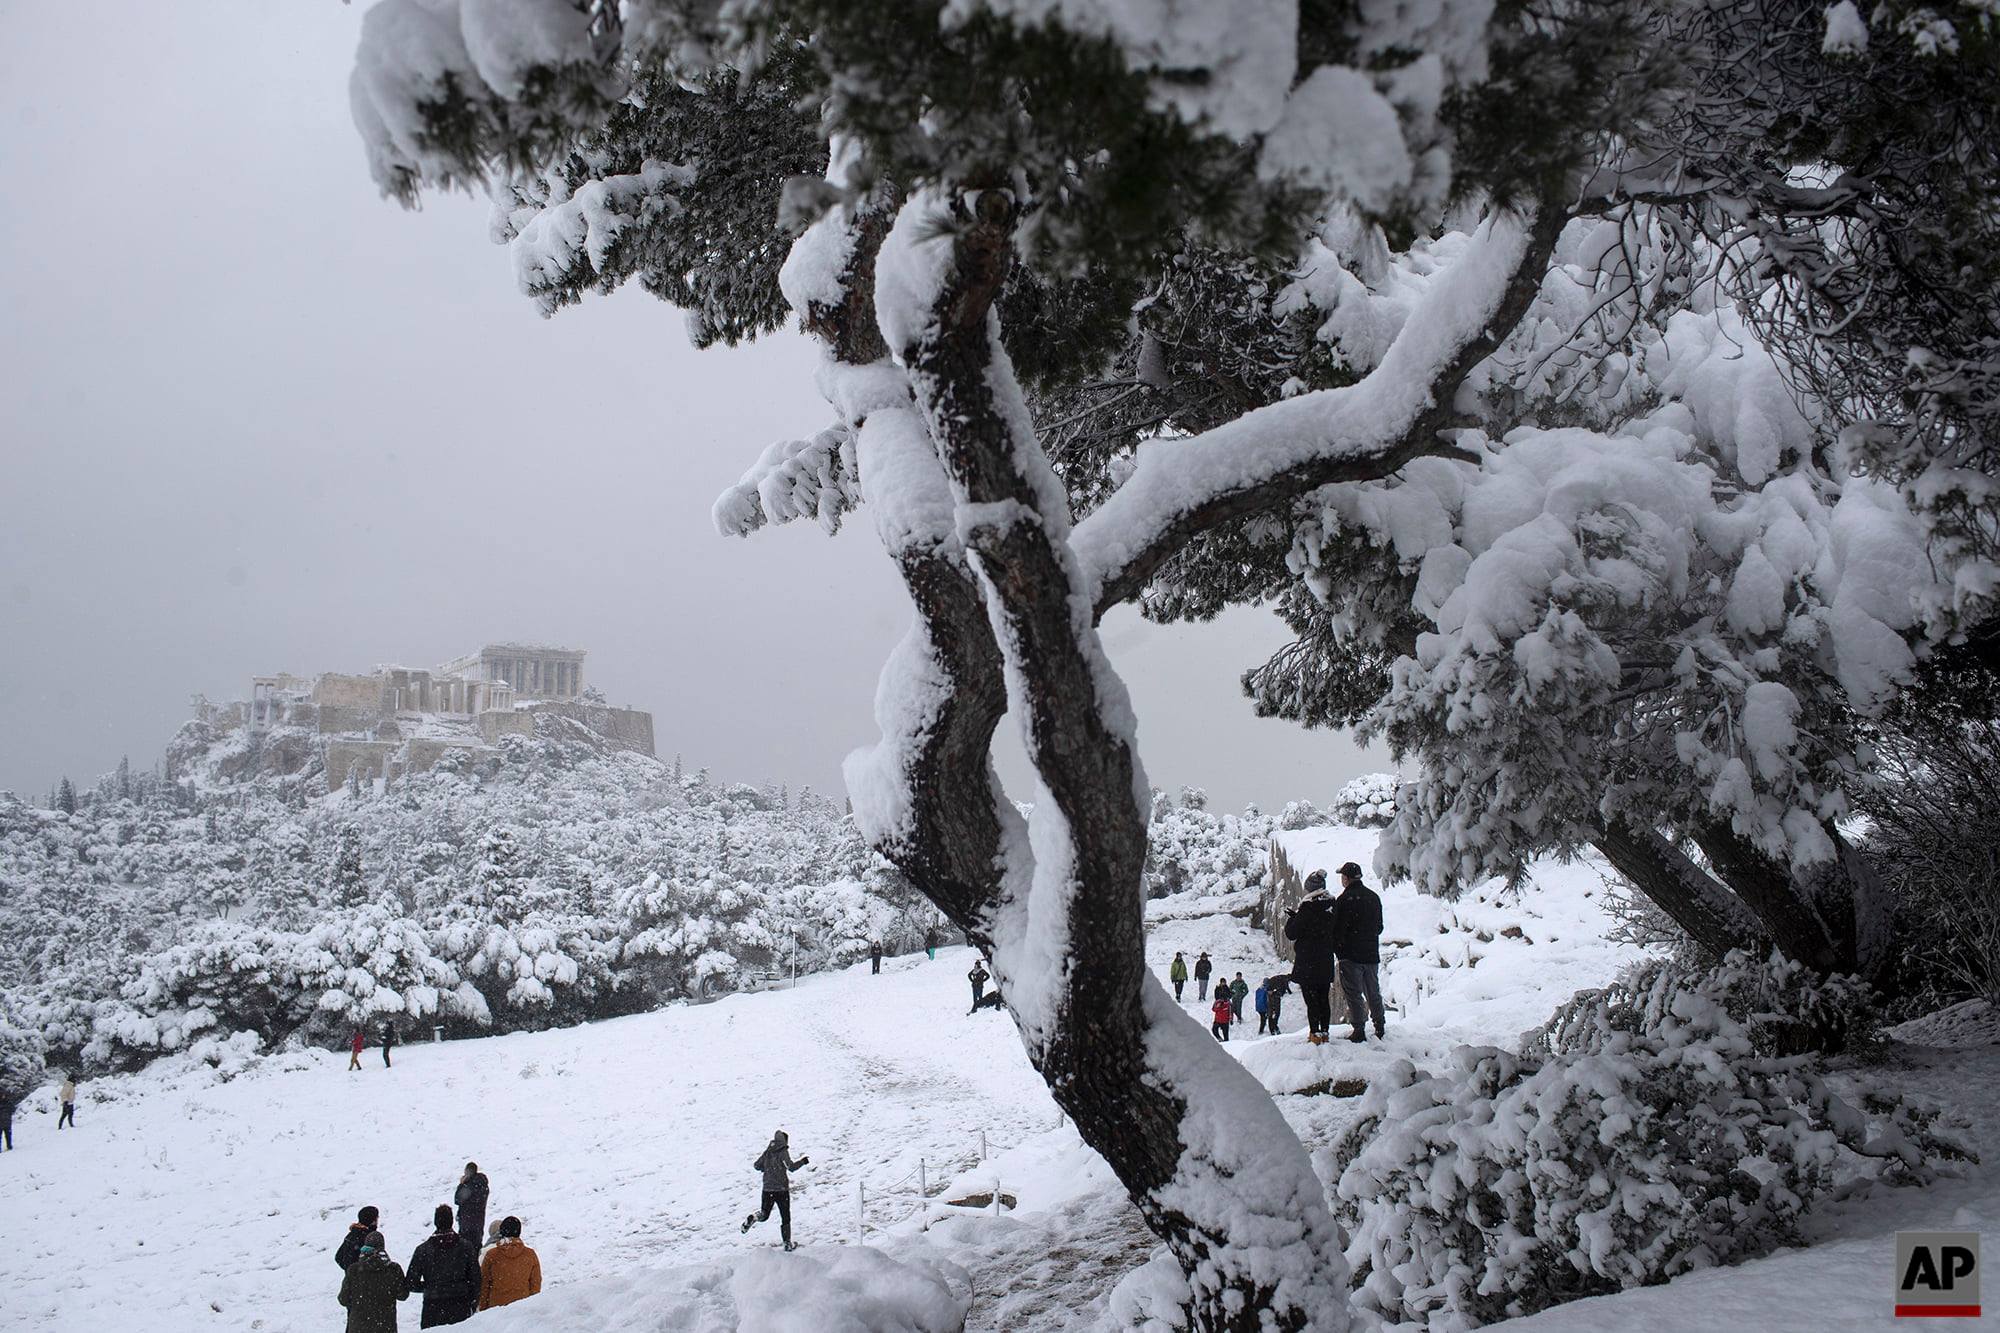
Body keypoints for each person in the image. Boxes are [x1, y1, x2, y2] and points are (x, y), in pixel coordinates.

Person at [1333, 862, 1387, 1043]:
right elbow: (1379, 927)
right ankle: (1379, 1024)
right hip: (1371, 954)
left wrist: (1339, 949)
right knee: (1373, 991)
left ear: (1346, 878)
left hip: (1350, 955)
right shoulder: (1373, 897)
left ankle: (1359, 1029)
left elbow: (1338, 930)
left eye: (1342, 876)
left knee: (1354, 993)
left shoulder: (1343, 900)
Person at [1284, 870, 1340, 1043]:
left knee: (1311, 999)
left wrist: (1293, 918)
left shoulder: (1308, 907)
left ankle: (1315, 1033)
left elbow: (1292, 933)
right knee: (1323, 998)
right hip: (1325, 959)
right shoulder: (1332, 905)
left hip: (1308, 961)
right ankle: (1325, 1032)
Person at [407, 1204, 482, 1327]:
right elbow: (476, 1279)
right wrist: (471, 1300)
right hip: (460, 1305)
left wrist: (429, 1286)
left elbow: (411, 1283)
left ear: (436, 1222)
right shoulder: (465, 1247)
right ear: (452, 1222)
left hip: (433, 1307)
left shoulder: (423, 1250)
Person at [741, 1129, 810, 1251]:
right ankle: (787, 1244)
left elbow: (756, 1165)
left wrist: (766, 1168)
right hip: (781, 1190)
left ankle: (754, 1217)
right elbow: (791, 1167)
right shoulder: (783, 1152)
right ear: (784, 1141)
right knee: (785, 1216)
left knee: (764, 1214)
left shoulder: (768, 1151)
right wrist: (802, 1162)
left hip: (767, 1189)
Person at [337, 1230, 410, 1333]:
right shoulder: (393, 1269)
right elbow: (403, 1295)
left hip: (358, 1327)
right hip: (385, 1327)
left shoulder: (354, 1270)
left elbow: (343, 1299)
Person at [478, 1216, 541, 1311]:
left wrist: (483, 1308)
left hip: (496, 1308)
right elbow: (535, 1284)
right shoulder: (530, 1254)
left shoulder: (492, 1255)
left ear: (501, 1232)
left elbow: (484, 1284)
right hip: (523, 1307)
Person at [454, 1163, 490, 1247]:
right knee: (477, 1244)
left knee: (464, 1247)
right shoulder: (483, 1185)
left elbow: (457, 1199)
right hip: (479, 1221)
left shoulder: (468, 1186)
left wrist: (461, 1184)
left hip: (466, 1222)